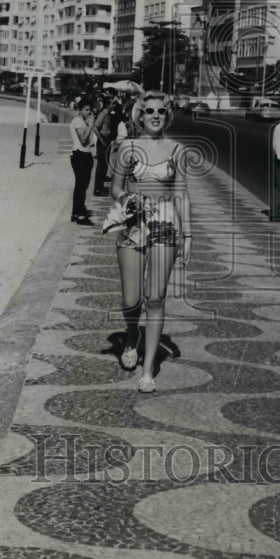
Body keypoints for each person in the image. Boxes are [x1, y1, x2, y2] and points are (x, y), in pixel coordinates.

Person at [108, 90, 191, 393]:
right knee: (132, 300)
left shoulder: (178, 149)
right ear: (139, 116)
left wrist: (188, 233)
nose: (155, 115)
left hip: (165, 225)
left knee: (155, 298)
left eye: (161, 111)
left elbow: (181, 192)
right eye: (149, 111)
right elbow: (114, 188)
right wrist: (130, 199)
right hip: (133, 226)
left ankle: (148, 370)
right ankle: (133, 335)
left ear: (167, 116)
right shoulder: (127, 147)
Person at [69, 100, 97, 225]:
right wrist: (91, 126)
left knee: (82, 186)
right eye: (86, 109)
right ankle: (80, 216)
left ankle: (76, 213)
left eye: (90, 109)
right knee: (81, 186)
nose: (89, 112)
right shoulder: (78, 122)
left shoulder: (82, 121)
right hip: (80, 155)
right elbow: (84, 140)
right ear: (79, 110)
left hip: (85, 154)